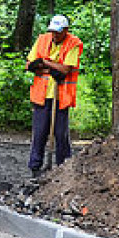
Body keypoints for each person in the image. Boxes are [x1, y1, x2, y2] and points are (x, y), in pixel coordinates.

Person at [26, 14, 83, 177]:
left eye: (58, 32)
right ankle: (35, 168)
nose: (55, 35)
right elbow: (30, 63)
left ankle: (63, 167)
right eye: (53, 32)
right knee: (39, 132)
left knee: (60, 134)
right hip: (42, 94)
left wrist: (45, 63)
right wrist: (51, 67)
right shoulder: (43, 39)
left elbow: (65, 69)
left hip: (61, 96)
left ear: (66, 30)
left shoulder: (74, 43)